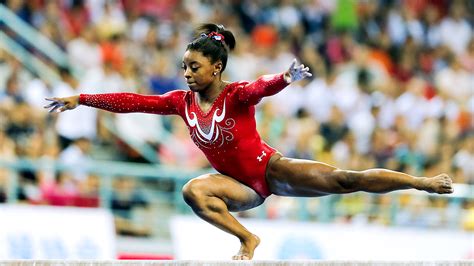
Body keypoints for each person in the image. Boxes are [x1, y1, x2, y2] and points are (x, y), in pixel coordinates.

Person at [45, 23, 453, 260]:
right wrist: (82, 99)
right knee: (194, 190)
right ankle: (247, 238)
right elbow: (134, 102)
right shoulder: (180, 102)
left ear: (216, 67)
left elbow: (261, 87)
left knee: (347, 179)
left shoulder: (236, 94)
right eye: (183, 66)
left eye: (194, 67)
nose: (186, 73)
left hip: (269, 171)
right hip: (238, 188)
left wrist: (285, 78)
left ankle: (423, 182)